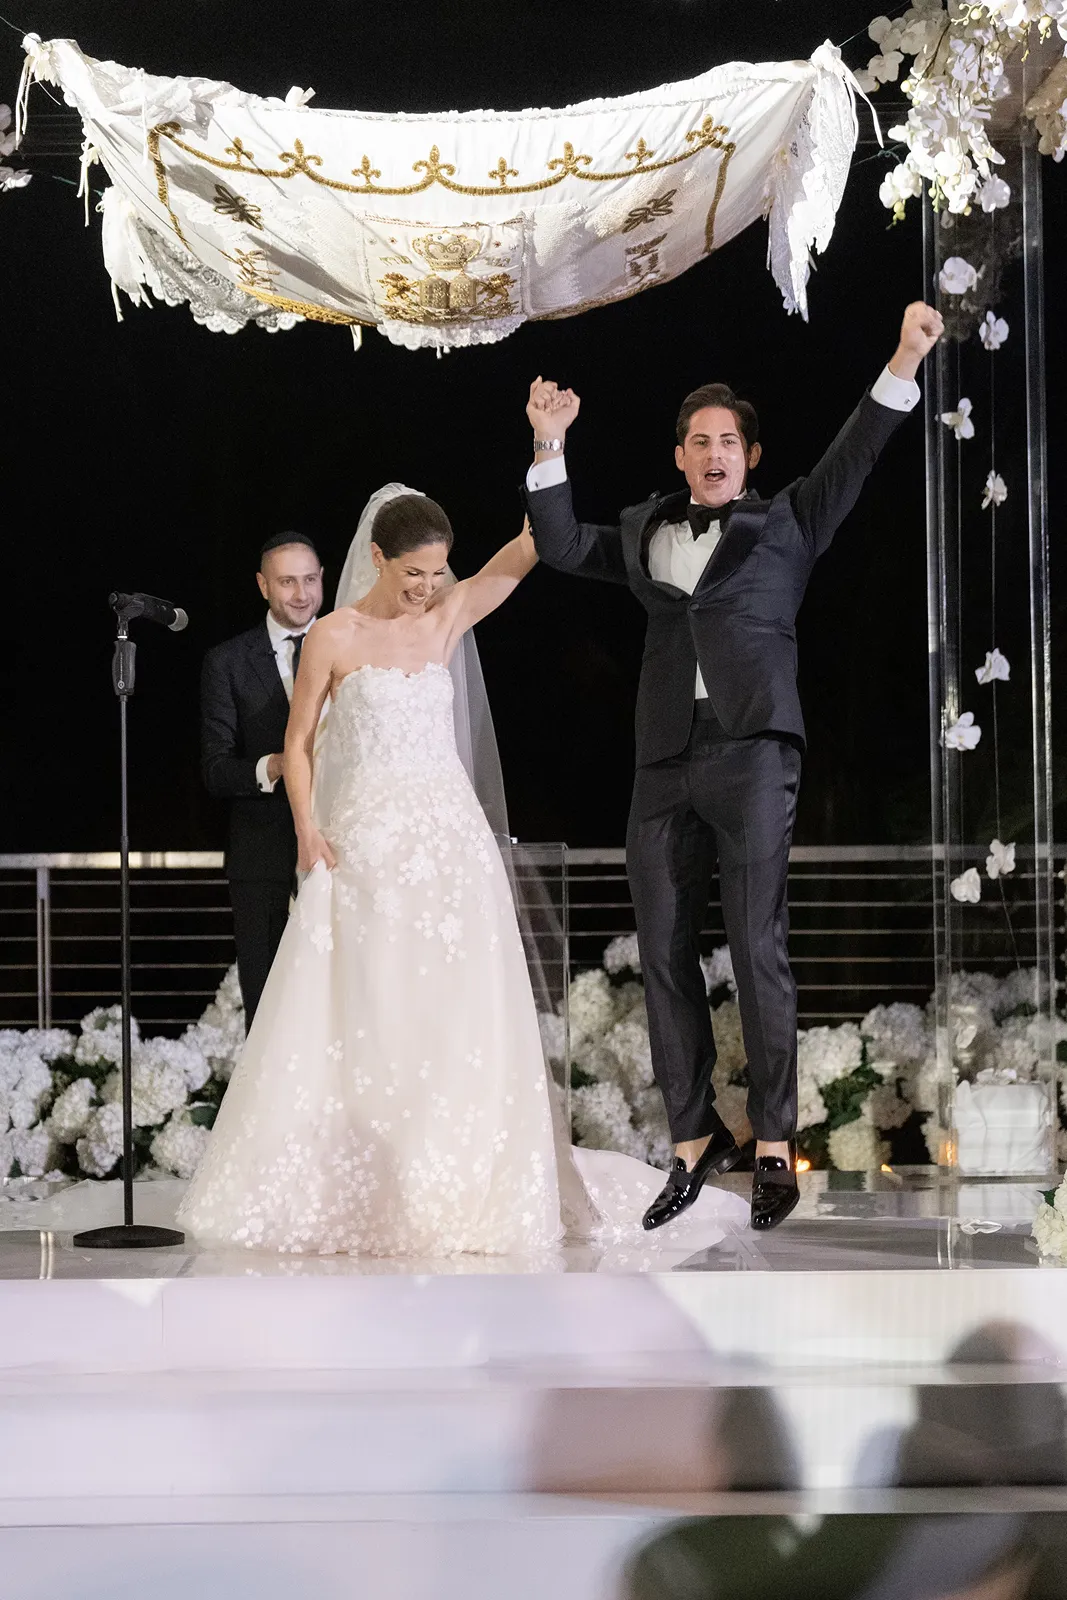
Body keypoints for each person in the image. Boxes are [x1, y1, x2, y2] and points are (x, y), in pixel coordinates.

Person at [178, 488, 747, 1257]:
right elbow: (301, 743)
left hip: (450, 848)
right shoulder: (333, 637)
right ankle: (364, 1181)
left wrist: (546, 453)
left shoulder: (445, 618)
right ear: (377, 559)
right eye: (413, 573)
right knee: (367, 1013)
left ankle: (460, 1178)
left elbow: (521, 554)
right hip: (363, 850)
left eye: (438, 572)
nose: (427, 587)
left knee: (457, 1014)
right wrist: (308, 829)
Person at [522, 302, 943, 1233]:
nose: (713, 451)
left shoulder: (788, 521)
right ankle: (690, 1139)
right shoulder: (643, 534)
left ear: (748, 456)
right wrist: (549, 444)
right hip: (663, 761)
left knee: (755, 947)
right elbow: (557, 543)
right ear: (678, 457)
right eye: (697, 440)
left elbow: (858, 452)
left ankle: (771, 1142)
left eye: (728, 440)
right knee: (663, 949)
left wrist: (903, 354)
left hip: (753, 752)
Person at [200, 532, 324, 1024]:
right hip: (262, 858)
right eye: (288, 581)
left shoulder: (350, 643)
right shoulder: (226, 662)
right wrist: (276, 765)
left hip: (342, 846)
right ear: (262, 585)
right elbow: (215, 769)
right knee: (269, 1009)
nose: (302, 594)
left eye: (311, 580)